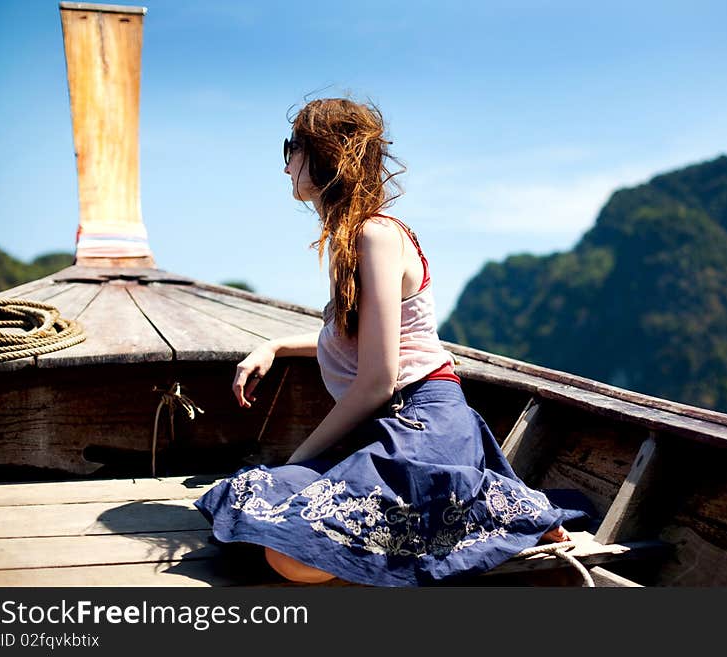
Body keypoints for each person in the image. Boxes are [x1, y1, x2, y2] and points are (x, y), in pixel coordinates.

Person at [194, 97, 591, 586]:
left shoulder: (373, 237)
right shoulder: (356, 239)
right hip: (391, 428)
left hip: (422, 427)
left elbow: (378, 381)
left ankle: (495, 515)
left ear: (324, 155)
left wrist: (299, 457)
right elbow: (364, 339)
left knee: (288, 547)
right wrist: (275, 346)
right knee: (249, 505)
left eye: (291, 149)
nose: (285, 166)